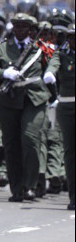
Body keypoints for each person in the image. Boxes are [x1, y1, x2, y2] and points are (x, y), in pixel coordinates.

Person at [0, 13, 50, 202]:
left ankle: (30, 185)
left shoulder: (40, 50)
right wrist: (4, 73)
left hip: (34, 98)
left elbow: (52, 69)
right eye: (17, 26)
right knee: (11, 144)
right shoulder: (3, 48)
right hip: (9, 100)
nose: (20, 30)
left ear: (31, 30)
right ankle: (16, 188)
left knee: (30, 139)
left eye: (24, 27)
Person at [44, 23, 75, 210]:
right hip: (66, 106)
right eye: (71, 37)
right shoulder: (61, 56)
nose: (73, 41)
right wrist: (49, 73)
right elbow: (53, 64)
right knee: (70, 153)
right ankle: (73, 197)